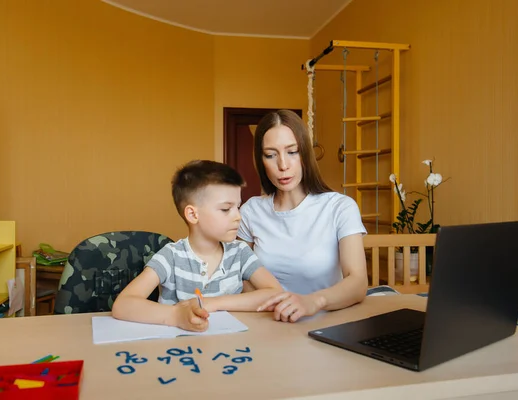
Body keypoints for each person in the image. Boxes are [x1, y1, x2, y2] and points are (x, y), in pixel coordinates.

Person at [112, 160, 282, 332]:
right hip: (180, 352)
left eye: (237, 207)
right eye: (225, 209)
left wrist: (212, 303)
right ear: (193, 214)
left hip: (232, 350)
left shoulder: (240, 252)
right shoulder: (171, 256)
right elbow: (123, 305)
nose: (238, 216)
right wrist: (176, 316)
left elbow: (275, 294)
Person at [237, 110, 368, 323]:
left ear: (305, 154)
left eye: (292, 152)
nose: (283, 165)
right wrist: (274, 306)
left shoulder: (340, 207)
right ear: (261, 161)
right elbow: (241, 275)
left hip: (326, 322)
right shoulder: (251, 211)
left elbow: (358, 282)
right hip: (269, 323)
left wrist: (312, 302)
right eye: (270, 155)